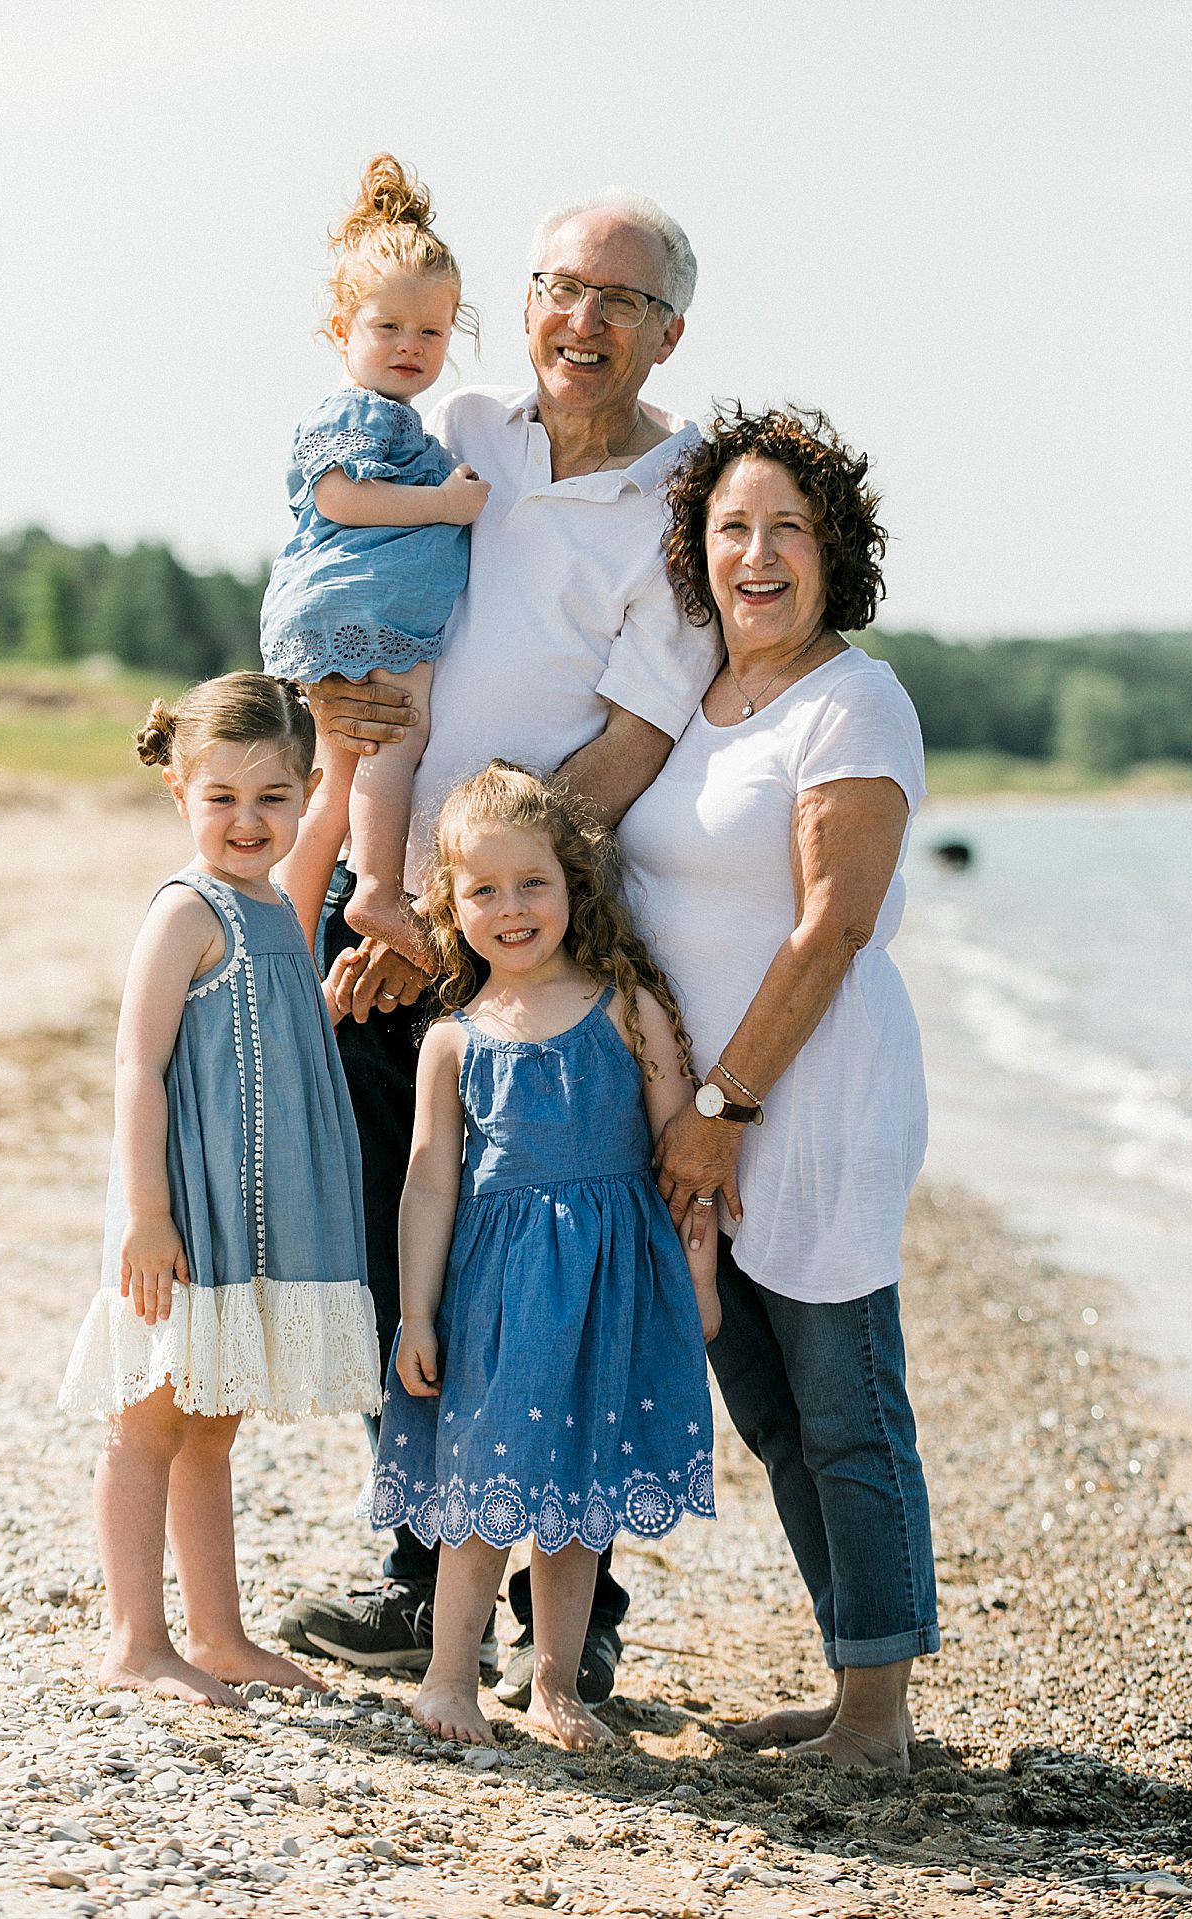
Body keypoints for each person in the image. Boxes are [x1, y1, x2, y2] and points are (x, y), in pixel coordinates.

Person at [278, 190, 723, 1705]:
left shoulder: (680, 497)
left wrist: (475, 923)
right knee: (398, 1249)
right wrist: (356, 817)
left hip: (534, 945)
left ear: (671, 327)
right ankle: (419, 1577)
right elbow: (333, 552)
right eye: (559, 288)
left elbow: (637, 735)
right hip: (373, 905)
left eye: (620, 299)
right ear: (521, 301)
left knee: (553, 1264)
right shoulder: (453, 415)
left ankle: (571, 1623)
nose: (582, 321)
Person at [616, 406, 939, 1775]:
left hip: (806, 1105)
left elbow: (832, 926)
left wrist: (724, 1104)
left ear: (834, 549)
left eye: (786, 528)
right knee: (771, 1406)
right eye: (731, 526)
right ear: (698, 547)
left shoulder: (852, 699)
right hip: (710, 1109)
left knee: (847, 1399)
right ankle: (854, 1675)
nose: (756, 553)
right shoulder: (695, 702)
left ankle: (879, 1718)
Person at [361, 763, 717, 1749]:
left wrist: (695, 1282)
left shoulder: (626, 1008)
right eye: (483, 889)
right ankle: (446, 1680)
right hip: (497, 1296)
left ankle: (556, 1685)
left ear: (571, 885)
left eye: (532, 884)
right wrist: (418, 1312)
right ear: (447, 905)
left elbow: (679, 1161)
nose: (511, 909)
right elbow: (429, 1181)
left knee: (576, 1505)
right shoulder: (453, 1038)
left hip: (608, 1288)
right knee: (480, 1493)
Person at [59, 674, 382, 1706]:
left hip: (249, 1221)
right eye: (223, 798)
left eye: (273, 798)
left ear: (304, 792)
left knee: (213, 1420)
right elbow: (136, 1065)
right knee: (149, 1417)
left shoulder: (278, 907)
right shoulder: (187, 909)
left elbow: (261, 1049)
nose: (249, 820)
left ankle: (219, 1630)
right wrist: (147, 1214)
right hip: (184, 1212)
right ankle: (132, 1636)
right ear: (180, 796)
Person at [260, 153, 490, 957]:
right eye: (388, 327)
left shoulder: (401, 423)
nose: (409, 346)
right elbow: (339, 499)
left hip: (352, 604)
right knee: (401, 736)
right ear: (341, 330)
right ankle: (379, 893)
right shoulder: (358, 415)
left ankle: (288, 925)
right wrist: (445, 506)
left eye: (430, 331)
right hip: (366, 605)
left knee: (339, 774)